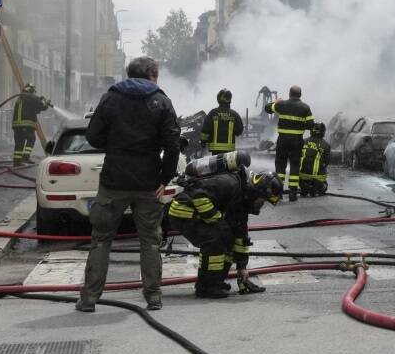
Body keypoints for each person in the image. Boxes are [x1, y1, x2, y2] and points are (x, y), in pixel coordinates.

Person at [76, 57, 181, 312]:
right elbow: (173, 145)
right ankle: (153, 297)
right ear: (152, 75)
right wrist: (164, 179)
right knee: (150, 241)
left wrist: (117, 145)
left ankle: (89, 299)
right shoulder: (162, 101)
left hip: (114, 180)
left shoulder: (111, 98)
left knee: (101, 239)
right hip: (147, 182)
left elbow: (93, 136)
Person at [166, 167, 283, 298]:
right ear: (257, 192)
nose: (260, 205)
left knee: (228, 236)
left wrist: (242, 268)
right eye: (262, 201)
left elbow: (240, 234)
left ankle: (216, 282)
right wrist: (218, 220)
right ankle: (206, 287)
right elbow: (199, 196)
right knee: (216, 238)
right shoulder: (230, 184)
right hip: (183, 212)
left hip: (198, 215)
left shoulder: (243, 198)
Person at [264, 85, 314, 202]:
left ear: (289, 94)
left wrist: (276, 102)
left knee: (280, 166)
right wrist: (300, 123)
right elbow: (310, 125)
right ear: (300, 95)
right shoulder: (305, 107)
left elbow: (267, 108)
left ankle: (278, 192)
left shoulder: (282, 105)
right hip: (297, 141)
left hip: (283, 140)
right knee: (295, 167)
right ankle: (293, 193)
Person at [11, 84, 51, 165]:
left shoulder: (20, 98)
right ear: (31, 90)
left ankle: (17, 162)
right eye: (33, 92)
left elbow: (32, 107)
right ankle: (26, 157)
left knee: (19, 143)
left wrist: (39, 100)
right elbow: (41, 106)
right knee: (31, 139)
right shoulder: (31, 97)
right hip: (26, 125)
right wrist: (46, 104)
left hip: (16, 126)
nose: (34, 93)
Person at [200, 89, 244, 155]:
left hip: (216, 150)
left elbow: (205, 129)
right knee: (228, 165)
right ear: (230, 100)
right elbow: (240, 130)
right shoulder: (234, 114)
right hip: (229, 150)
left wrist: (203, 141)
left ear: (218, 99)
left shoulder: (213, 113)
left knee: (217, 165)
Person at [298, 122, 331, 197]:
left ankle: (305, 187)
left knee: (304, 185)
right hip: (318, 177)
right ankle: (318, 188)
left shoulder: (303, 141)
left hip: (302, 176)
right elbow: (327, 161)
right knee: (324, 187)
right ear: (323, 132)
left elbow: (297, 156)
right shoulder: (326, 145)